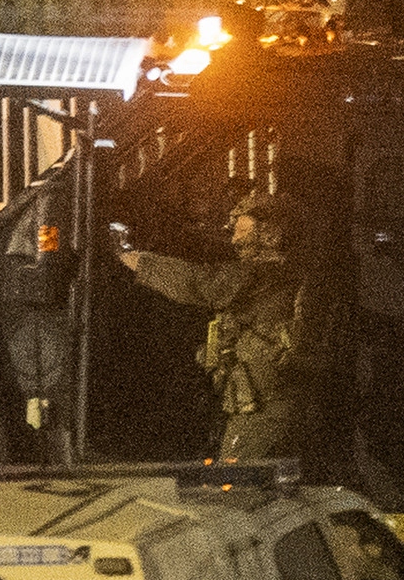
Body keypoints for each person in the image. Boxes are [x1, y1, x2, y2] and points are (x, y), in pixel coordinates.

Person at [117, 188, 313, 463]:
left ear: (269, 233)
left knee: (235, 478)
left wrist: (135, 260)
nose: (235, 239)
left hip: (262, 407)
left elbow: (199, 283)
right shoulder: (288, 273)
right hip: (268, 400)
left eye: (243, 230)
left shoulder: (264, 274)